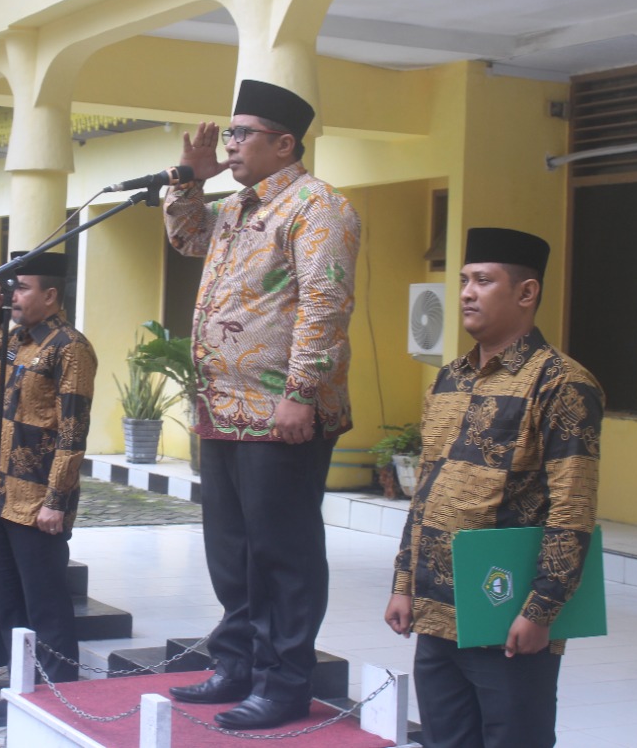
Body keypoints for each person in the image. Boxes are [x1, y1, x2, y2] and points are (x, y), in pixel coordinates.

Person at [164, 79, 361, 730]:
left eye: (243, 133)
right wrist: (189, 180)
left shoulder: (317, 206)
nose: (231, 143)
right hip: (222, 409)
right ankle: (239, 662)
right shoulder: (237, 208)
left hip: (283, 411)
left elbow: (326, 302)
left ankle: (285, 680)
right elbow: (186, 238)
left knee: (284, 552)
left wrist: (301, 392)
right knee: (231, 547)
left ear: (285, 142)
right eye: (230, 132)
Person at [384, 228, 603, 748]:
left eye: (484, 281)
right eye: (463, 280)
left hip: (506, 612)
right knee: (444, 740)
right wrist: (402, 582)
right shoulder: (449, 380)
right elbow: (427, 493)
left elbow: (573, 506)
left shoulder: (561, 383)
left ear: (526, 293)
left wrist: (541, 608)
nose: (465, 293)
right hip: (437, 611)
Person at [0, 251, 97, 725]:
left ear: (51, 295)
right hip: (1, 491)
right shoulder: (13, 342)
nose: (13, 297)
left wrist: (57, 500)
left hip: (38, 498)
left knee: (46, 602)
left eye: (21, 288)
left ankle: (58, 692)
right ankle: (23, 687)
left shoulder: (70, 348)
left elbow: (72, 432)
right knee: (9, 599)